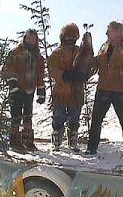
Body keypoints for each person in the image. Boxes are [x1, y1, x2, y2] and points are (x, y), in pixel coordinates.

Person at [86, 21, 123, 155]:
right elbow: (97, 63)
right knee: (96, 119)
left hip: (120, 90)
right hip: (103, 88)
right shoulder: (104, 48)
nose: (106, 34)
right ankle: (91, 148)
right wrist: (87, 58)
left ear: (118, 33)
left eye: (109, 31)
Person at [47, 23, 93, 152]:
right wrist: (64, 75)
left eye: (73, 36)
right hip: (61, 90)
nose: (70, 38)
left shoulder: (81, 51)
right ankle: (56, 141)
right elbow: (52, 69)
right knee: (59, 116)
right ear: (63, 36)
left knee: (74, 117)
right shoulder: (57, 53)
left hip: (76, 91)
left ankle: (73, 141)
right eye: (68, 36)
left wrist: (83, 76)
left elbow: (89, 66)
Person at [3, 28, 46, 151]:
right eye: (29, 38)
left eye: (34, 39)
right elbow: (8, 69)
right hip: (17, 89)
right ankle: (15, 141)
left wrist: (41, 90)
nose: (31, 41)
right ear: (25, 38)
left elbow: (40, 74)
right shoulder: (15, 53)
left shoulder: (37, 56)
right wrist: (13, 85)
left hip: (29, 90)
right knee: (16, 115)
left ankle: (27, 140)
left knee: (28, 115)